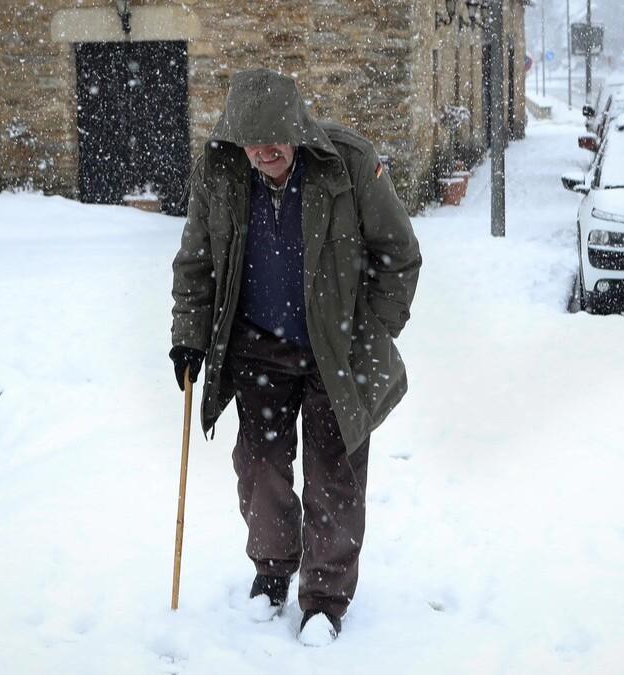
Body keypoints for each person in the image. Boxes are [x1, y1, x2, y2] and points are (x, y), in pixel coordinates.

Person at [169, 68, 421, 646]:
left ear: (298, 130)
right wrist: (189, 334)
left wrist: (374, 333)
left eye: (275, 140)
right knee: (259, 470)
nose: (265, 152)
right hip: (258, 345)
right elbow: (196, 262)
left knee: (334, 476)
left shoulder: (348, 163)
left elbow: (398, 253)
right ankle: (273, 569)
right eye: (253, 143)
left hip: (337, 351)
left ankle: (326, 599)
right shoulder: (220, 171)